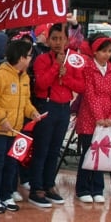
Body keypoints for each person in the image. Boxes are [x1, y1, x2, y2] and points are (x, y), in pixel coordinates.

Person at [28, 23, 85, 208]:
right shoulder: (42, 59)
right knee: (42, 149)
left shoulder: (74, 59)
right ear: (48, 39)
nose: (58, 42)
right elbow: (41, 85)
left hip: (63, 108)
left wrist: (66, 76)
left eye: (61, 39)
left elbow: (81, 86)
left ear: (68, 40)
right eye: (54, 38)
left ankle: (49, 184)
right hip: (47, 106)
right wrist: (55, 68)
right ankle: (36, 188)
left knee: (54, 150)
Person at [0, 39, 38, 214]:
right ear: (21, 57)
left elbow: (26, 102)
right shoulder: (0, 75)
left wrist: (33, 113)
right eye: (29, 55)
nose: (31, 59)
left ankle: (6, 194)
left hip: (16, 130)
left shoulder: (25, 77)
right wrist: (2, 119)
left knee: (12, 164)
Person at [75, 35, 111, 203]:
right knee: (89, 152)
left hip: (107, 119)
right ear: (95, 52)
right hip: (89, 118)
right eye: (103, 51)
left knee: (103, 152)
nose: (107, 54)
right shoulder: (88, 68)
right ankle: (83, 188)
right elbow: (89, 94)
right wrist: (99, 117)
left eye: (109, 51)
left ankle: (97, 188)